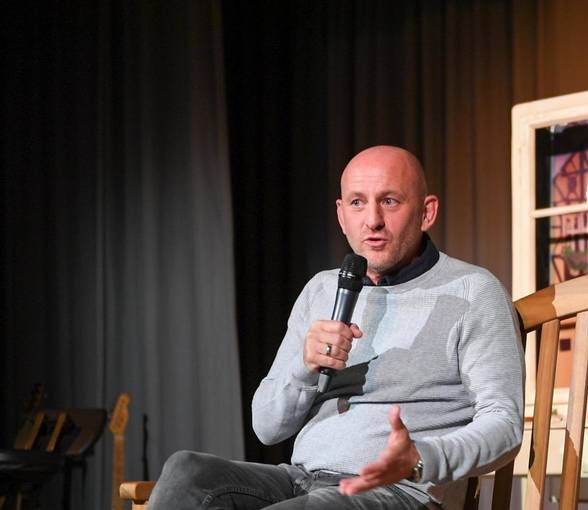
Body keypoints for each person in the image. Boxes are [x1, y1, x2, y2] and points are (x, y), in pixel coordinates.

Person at [147, 145, 524, 509]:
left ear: (427, 212)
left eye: (390, 201)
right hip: (301, 478)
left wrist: (422, 458)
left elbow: (504, 425)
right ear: (342, 215)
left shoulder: (473, 291)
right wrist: (303, 367)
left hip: (397, 491)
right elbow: (266, 427)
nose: (372, 220)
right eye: (358, 203)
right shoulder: (323, 289)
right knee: (187, 473)